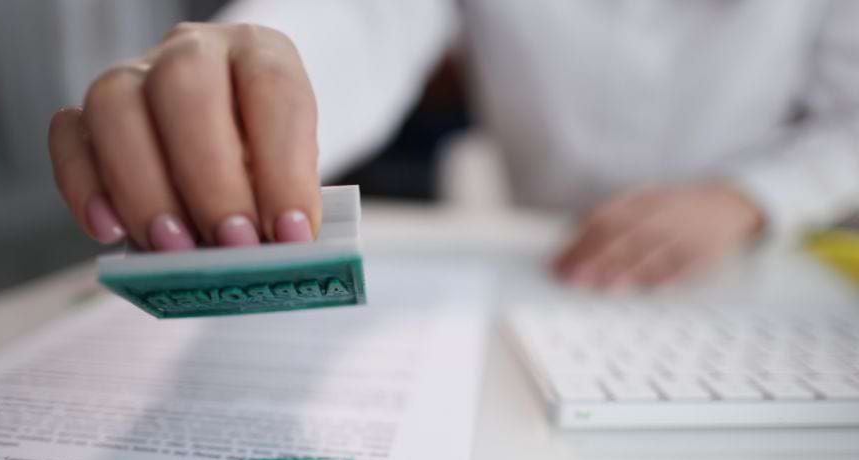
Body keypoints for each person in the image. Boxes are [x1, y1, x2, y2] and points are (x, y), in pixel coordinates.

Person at [48, 0, 859, 289]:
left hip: (754, 273)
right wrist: (244, 76)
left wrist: (748, 198)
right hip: (543, 266)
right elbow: (362, 19)